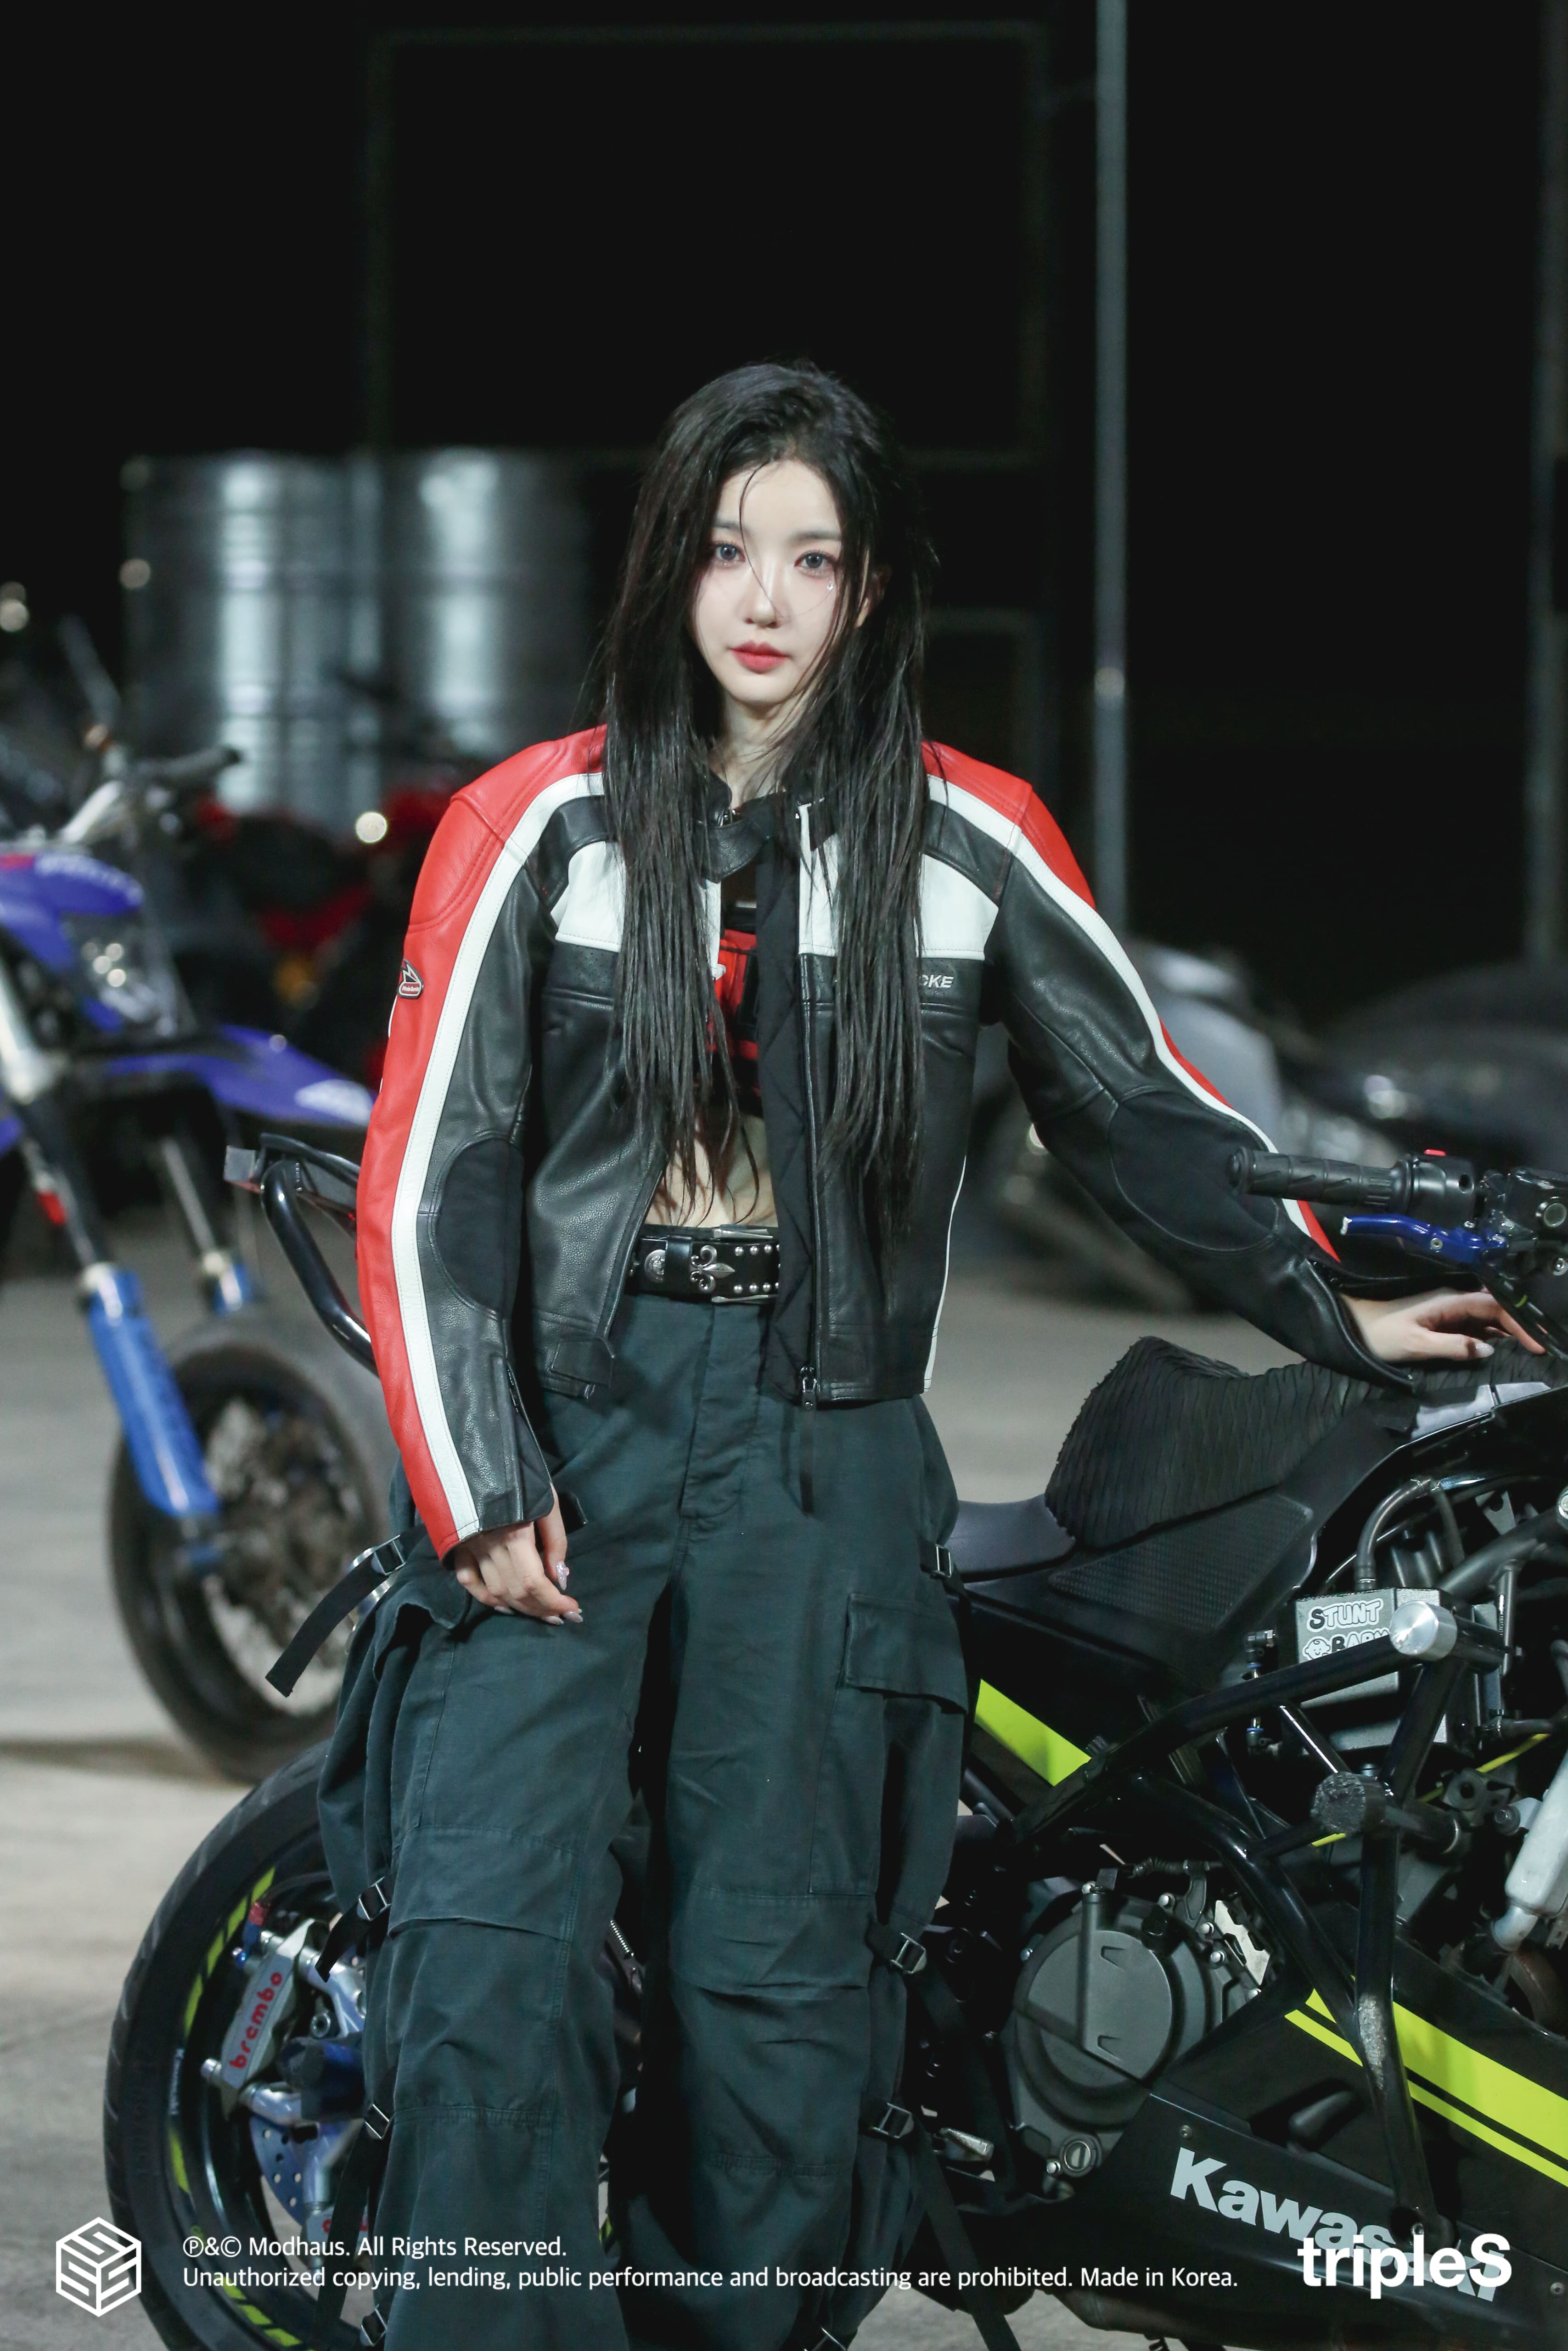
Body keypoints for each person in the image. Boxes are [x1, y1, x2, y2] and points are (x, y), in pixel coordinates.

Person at [320, 360, 1528, 2351]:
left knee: (784, 1994)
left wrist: (1334, 1303)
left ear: (871, 588)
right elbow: (430, 1171)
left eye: (812, 557)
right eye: (728, 549)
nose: (763, 598)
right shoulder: (532, 822)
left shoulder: (967, 838)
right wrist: (475, 1479)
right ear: (668, 565)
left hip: (824, 1464)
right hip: (572, 1435)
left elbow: (1143, 1113)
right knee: (489, 1955)